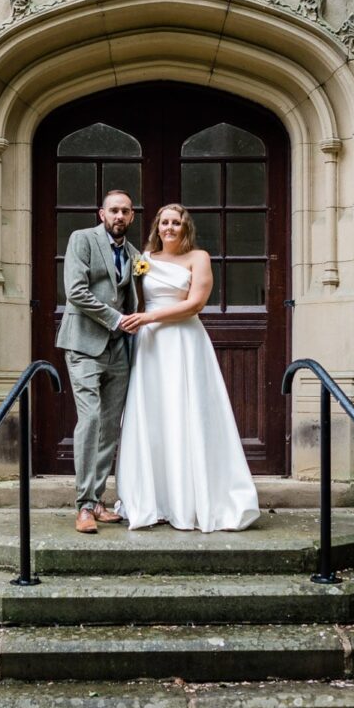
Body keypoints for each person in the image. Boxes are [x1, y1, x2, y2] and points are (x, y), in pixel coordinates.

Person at [116, 203, 259, 532]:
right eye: (164, 221)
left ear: (185, 227)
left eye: (175, 222)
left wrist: (149, 317)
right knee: (154, 415)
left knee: (186, 413)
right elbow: (128, 293)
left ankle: (192, 500)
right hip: (151, 347)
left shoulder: (199, 258)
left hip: (184, 341)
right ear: (157, 226)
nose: (169, 227)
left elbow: (195, 303)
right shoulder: (144, 260)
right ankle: (154, 501)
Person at [57, 190, 141, 534]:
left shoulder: (135, 253)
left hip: (119, 349)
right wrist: (116, 319)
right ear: (101, 213)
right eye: (113, 210)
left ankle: (98, 499)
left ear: (131, 216)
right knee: (90, 420)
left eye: (124, 211)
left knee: (109, 426)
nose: (118, 216)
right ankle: (83, 506)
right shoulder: (83, 240)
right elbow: (75, 291)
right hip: (84, 345)